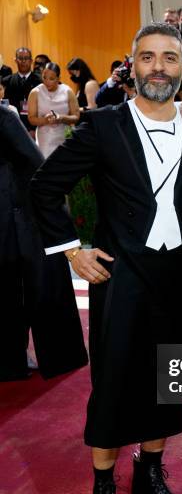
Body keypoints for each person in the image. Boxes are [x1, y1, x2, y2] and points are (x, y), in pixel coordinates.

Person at [30, 22, 182, 494]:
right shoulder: (103, 125)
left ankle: (151, 481)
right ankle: (104, 491)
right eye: (148, 58)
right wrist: (71, 250)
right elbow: (45, 186)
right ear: (131, 66)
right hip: (121, 277)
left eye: (170, 58)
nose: (159, 67)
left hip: (180, 280)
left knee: (169, 383)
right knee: (113, 385)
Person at [0, 105, 88, 381]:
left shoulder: (4, 116)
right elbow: (35, 164)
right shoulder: (4, 116)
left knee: (22, 288)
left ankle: (15, 362)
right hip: (17, 214)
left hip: (19, 213)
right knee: (29, 288)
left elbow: (33, 165)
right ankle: (34, 359)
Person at [27, 62, 80, 158]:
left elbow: (76, 116)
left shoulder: (67, 91)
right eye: (44, 77)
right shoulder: (35, 92)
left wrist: (61, 118)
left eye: (51, 79)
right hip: (44, 139)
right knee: (45, 164)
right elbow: (31, 118)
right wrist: (44, 120)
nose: (47, 81)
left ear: (58, 78)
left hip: (63, 136)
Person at [2, 47, 41, 132]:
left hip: (36, 129)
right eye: (20, 58)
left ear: (31, 61)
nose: (23, 61)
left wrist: (34, 130)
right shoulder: (6, 81)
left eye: (26, 58)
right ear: (15, 60)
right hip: (13, 129)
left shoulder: (40, 82)